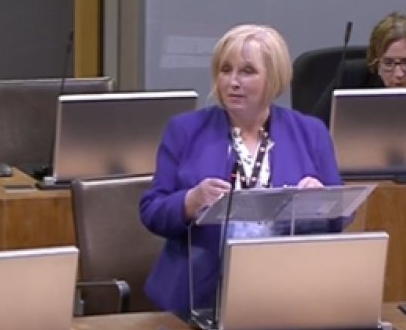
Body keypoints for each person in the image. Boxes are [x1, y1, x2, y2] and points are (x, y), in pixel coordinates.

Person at [139, 24, 343, 314]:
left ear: (274, 77)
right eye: (225, 70)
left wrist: (320, 202)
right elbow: (151, 210)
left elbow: (340, 217)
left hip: (287, 289)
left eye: (247, 71)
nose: (233, 82)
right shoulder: (184, 130)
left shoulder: (310, 132)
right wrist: (190, 201)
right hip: (197, 296)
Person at [312, 12, 406, 128]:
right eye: (388, 63)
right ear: (376, 62)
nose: (398, 74)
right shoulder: (352, 78)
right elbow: (311, 134)